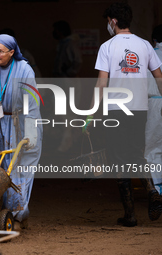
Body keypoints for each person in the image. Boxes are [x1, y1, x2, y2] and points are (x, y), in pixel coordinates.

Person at [84, 2, 162, 227]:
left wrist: (89, 114)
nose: (108, 24)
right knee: (136, 151)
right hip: (140, 109)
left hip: (116, 110)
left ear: (113, 21)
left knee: (118, 160)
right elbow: (158, 77)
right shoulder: (146, 45)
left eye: (108, 21)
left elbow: (101, 83)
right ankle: (151, 190)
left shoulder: (108, 47)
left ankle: (130, 214)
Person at [0, 34, 42, 229]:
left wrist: (30, 133)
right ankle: (6, 214)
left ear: (11, 52)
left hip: (22, 123)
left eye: (0, 51)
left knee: (20, 170)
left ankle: (18, 215)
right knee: (1, 169)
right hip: (1, 124)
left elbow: (32, 105)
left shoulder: (25, 70)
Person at [52, 20, 83, 152]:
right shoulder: (63, 44)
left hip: (69, 81)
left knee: (68, 112)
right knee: (64, 112)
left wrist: (68, 72)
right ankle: (71, 142)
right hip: (63, 80)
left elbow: (78, 61)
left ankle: (67, 144)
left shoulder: (70, 44)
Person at [145, 24, 162, 194]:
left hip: (154, 104)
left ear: (154, 40)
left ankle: (158, 190)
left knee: (153, 149)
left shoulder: (150, 56)